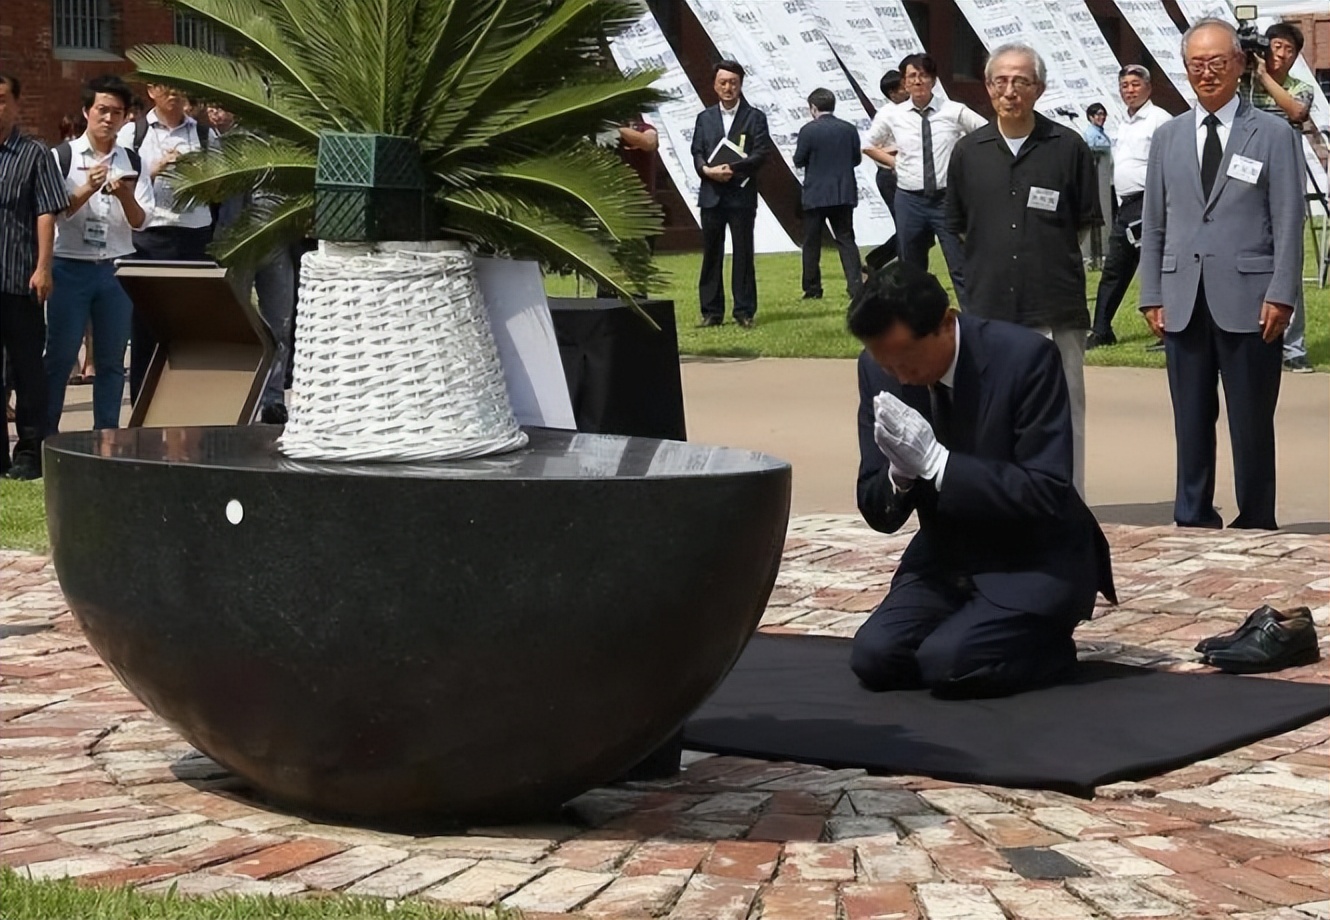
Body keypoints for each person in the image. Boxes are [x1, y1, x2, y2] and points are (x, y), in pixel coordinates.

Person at [849, 262, 1115, 698]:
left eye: (907, 358)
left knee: (946, 664)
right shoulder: (877, 370)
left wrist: (939, 464)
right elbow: (876, 507)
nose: (898, 374)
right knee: (875, 658)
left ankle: (1046, 647)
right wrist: (899, 474)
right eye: (885, 361)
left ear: (945, 324)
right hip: (947, 555)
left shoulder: (1026, 358)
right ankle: (978, 637)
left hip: (1033, 555)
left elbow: (1045, 489)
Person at [1139, 18, 1303, 531]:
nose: (1206, 73)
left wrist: (1282, 292)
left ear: (1238, 64)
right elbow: (1155, 220)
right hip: (1183, 296)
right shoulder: (1167, 136)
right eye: (1196, 64)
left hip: (1252, 299)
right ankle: (1193, 513)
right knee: (1190, 419)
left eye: (1216, 62)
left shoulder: (1272, 133)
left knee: (1251, 421)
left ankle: (1256, 516)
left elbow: (1289, 218)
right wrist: (1151, 293)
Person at [946, 44, 1101, 498]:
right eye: (1001, 81)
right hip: (989, 308)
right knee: (991, 412)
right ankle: (1001, 498)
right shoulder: (968, 152)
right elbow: (956, 226)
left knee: (1065, 410)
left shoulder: (1067, 146)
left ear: (1039, 89)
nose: (1010, 91)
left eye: (1021, 82)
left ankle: (1066, 502)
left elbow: (1083, 220)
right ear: (988, 87)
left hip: (1055, 305)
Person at [44, 75, 154, 438]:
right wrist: (86, 188)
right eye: (102, 110)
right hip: (69, 266)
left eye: (117, 113)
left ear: (125, 118)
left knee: (110, 362)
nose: (108, 119)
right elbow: (52, 213)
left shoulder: (132, 160)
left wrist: (124, 194)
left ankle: (106, 437)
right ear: (86, 111)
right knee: (59, 358)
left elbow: (141, 221)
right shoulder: (62, 157)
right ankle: (47, 438)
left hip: (115, 269)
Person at [116, 82, 218, 405]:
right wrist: (154, 170)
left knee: (192, 326)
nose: (174, 93)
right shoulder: (133, 133)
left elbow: (220, 187)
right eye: (166, 87)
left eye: (179, 87)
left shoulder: (204, 134)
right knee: (147, 326)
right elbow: (121, 184)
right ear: (151, 91)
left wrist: (195, 175)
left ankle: (190, 404)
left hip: (195, 234)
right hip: (151, 237)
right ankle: (143, 407)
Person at [863, 53, 986, 307]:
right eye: (912, 76)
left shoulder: (953, 110)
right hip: (910, 199)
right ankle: (916, 320)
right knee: (911, 268)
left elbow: (985, 133)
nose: (918, 81)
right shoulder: (892, 115)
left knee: (960, 264)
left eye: (923, 76)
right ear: (905, 82)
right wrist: (894, 162)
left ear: (933, 79)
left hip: (947, 200)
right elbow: (868, 145)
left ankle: (973, 322)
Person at [0, 73, 70, 480]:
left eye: (2, 99)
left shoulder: (35, 154)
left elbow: (47, 212)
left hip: (19, 279)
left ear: (15, 105)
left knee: (27, 370)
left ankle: (30, 451)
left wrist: (43, 267)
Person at [208, 103, 296, 424]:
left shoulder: (281, 142)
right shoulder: (221, 142)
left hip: (275, 241)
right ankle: (233, 395)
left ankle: (272, 398)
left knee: (279, 323)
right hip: (235, 243)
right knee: (234, 322)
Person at [1241, 22, 1314, 374]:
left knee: (1288, 259)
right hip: (1243, 181)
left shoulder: (1299, 87)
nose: (1281, 55)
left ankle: (1293, 347)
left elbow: (1296, 112)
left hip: (1285, 178)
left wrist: (1262, 76)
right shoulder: (1243, 83)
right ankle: (1245, 336)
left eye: (1289, 50)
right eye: (1276, 47)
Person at [1088, 65, 1174, 349]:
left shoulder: (1160, 119)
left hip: (1150, 202)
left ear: (1148, 87)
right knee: (1115, 268)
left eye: (1135, 84)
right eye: (1124, 85)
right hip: (1125, 206)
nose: (1129, 90)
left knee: (1158, 268)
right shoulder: (1123, 122)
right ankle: (1101, 329)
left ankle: (1169, 330)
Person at [690, 60, 772, 329]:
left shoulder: (755, 117)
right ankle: (711, 311)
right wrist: (707, 170)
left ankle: (744, 310)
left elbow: (762, 153)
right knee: (712, 253)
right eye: (723, 82)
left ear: (741, 85)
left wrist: (732, 168)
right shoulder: (704, 118)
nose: (728, 88)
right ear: (715, 85)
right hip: (711, 194)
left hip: (741, 195)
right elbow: (697, 152)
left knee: (743, 252)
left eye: (733, 83)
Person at [793, 88, 863, 301]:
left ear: (813, 108)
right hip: (843, 192)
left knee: (812, 243)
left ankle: (812, 288)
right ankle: (855, 286)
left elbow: (798, 160)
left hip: (816, 193)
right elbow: (856, 159)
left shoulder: (808, 131)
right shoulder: (849, 129)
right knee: (846, 239)